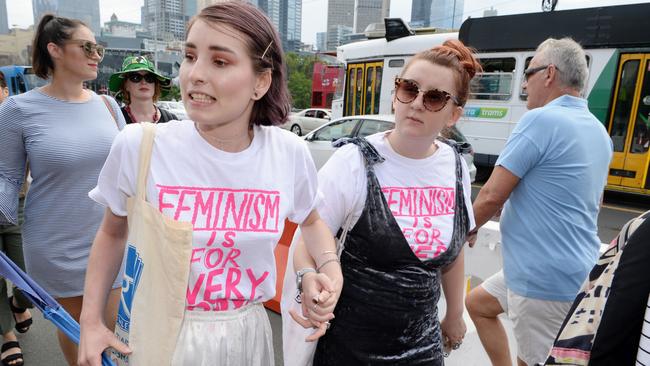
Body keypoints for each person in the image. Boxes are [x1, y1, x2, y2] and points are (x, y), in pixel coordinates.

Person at [78, 3, 337, 366]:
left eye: (219, 61)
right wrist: (90, 321)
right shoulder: (140, 145)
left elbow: (311, 221)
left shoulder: (289, 152)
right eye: (189, 55)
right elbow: (112, 233)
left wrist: (324, 271)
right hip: (158, 336)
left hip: (248, 333)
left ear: (260, 81)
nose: (195, 74)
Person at [288, 39, 480, 365]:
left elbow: (454, 250)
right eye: (409, 89)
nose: (417, 103)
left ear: (454, 114)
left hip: (423, 348)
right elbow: (308, 236)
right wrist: (308, 277)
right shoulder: (355, 161)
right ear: (396, 94)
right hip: (350, 348)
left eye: (434, 97)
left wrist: (455, 314)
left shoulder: (456, 166)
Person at [465, 37, 613, 366]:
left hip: (541, 279)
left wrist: (461, 230)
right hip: (578, 270)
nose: (523, 84)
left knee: (534, 360)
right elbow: (595, 202)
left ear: (548, 74)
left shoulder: (540, 120)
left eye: (527, 73)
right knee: (478, 303)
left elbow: (492, 195)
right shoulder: (598, 131)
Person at [0, 15, 126, 366]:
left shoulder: (108, 105)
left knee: (110, 328)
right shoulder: (17, 110)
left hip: (111, 236)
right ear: (54, 50)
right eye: (87, 47)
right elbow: (7, 179)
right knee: (80, 335)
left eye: (98, 47)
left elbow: (128, 173)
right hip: (56, 243)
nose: (96, 55)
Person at [0, 71, 34, 366]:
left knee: (29, 276)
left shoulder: (16, 117)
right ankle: (7, 335)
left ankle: (20, 303)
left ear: (4, 91)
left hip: (16, 205)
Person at [108, 56, 178, 124]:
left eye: (149, 78)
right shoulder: (115, 121)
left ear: (155, 85)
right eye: (136, 77)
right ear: (126, 85)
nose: (144, 82)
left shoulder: (171, 120)